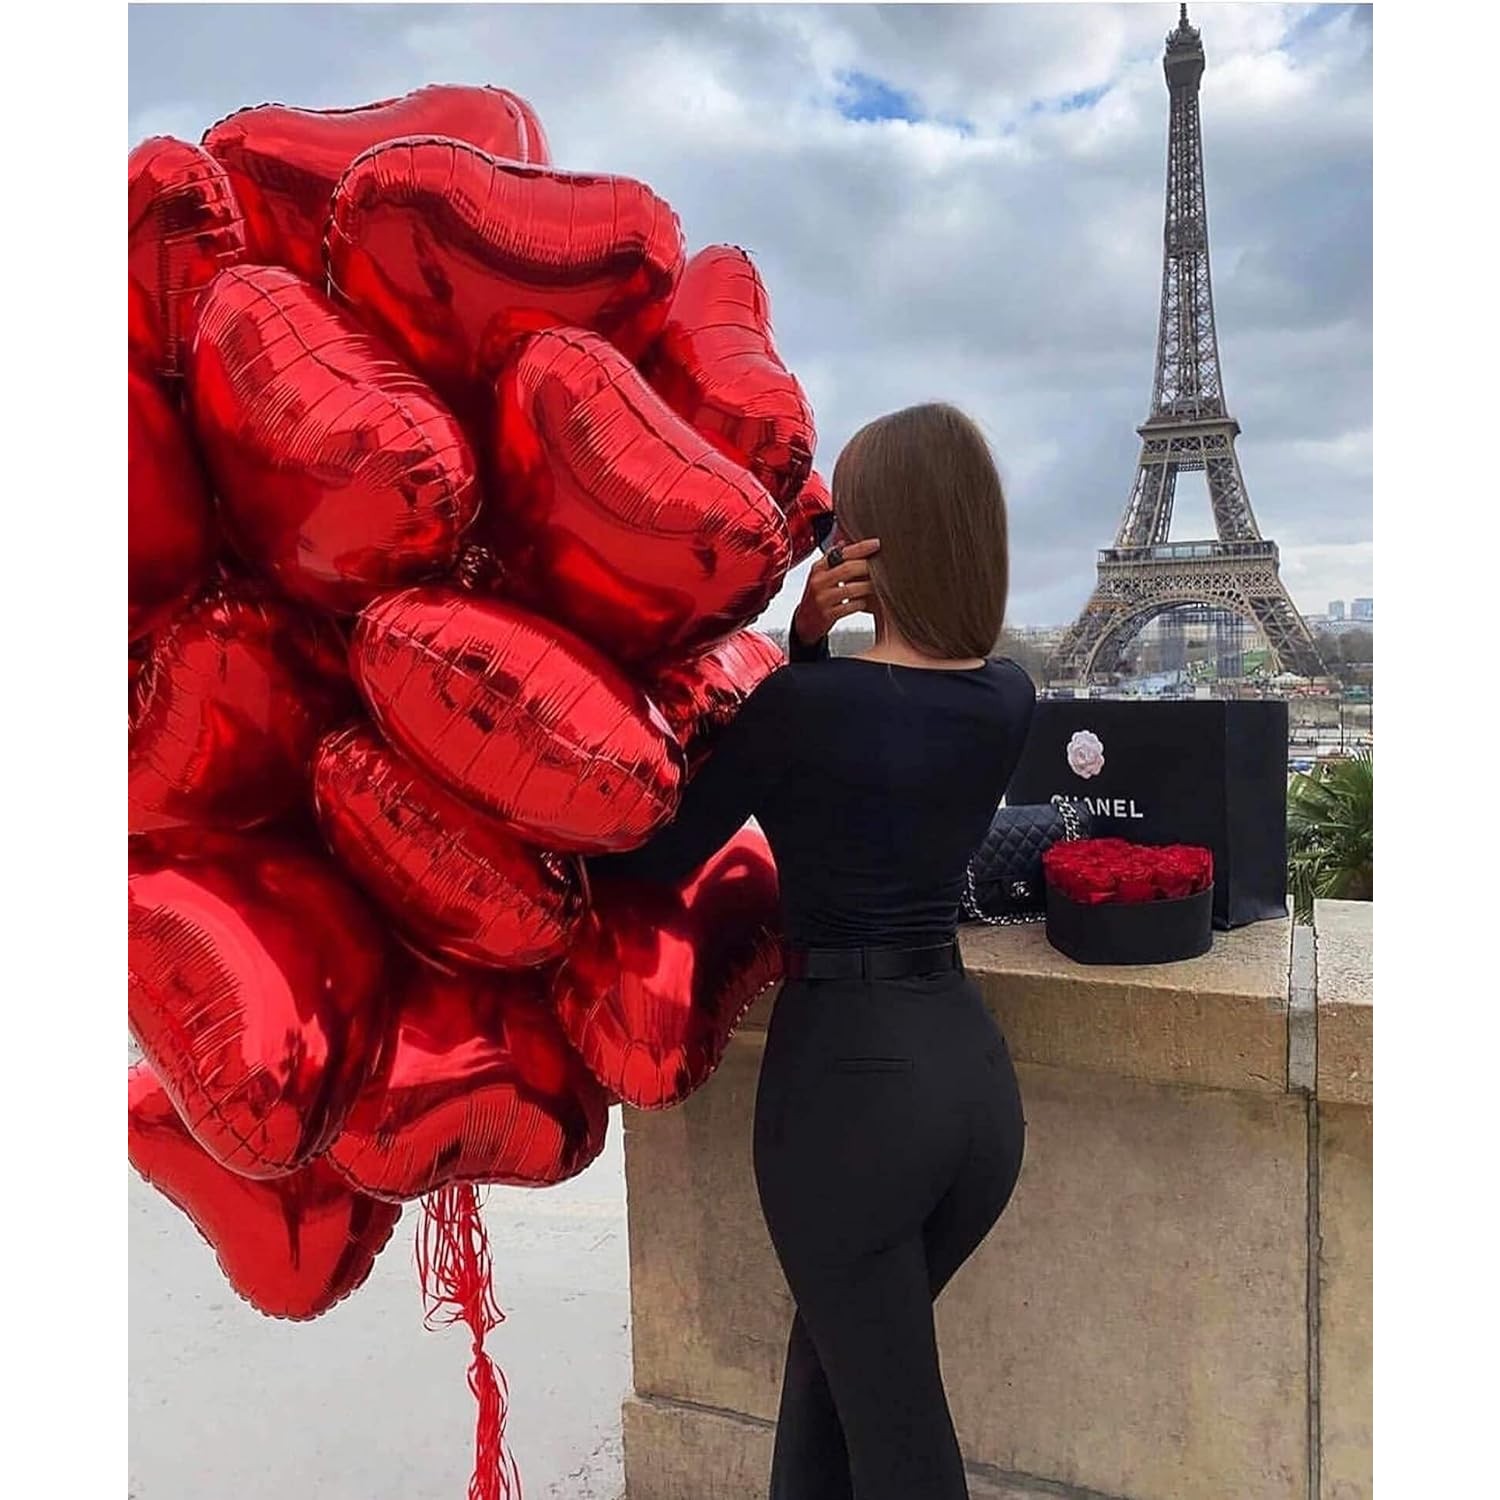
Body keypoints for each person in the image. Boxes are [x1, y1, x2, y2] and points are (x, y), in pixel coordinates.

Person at [589, 401, 1036, 1499]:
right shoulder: (1008, 699)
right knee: (834, 1383)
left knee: (898, 1447)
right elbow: (885, 750)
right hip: (972, 1094)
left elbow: (656, 855)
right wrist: (809, 656)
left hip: (847, 1100)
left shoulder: (803, 707)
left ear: (871, 545)